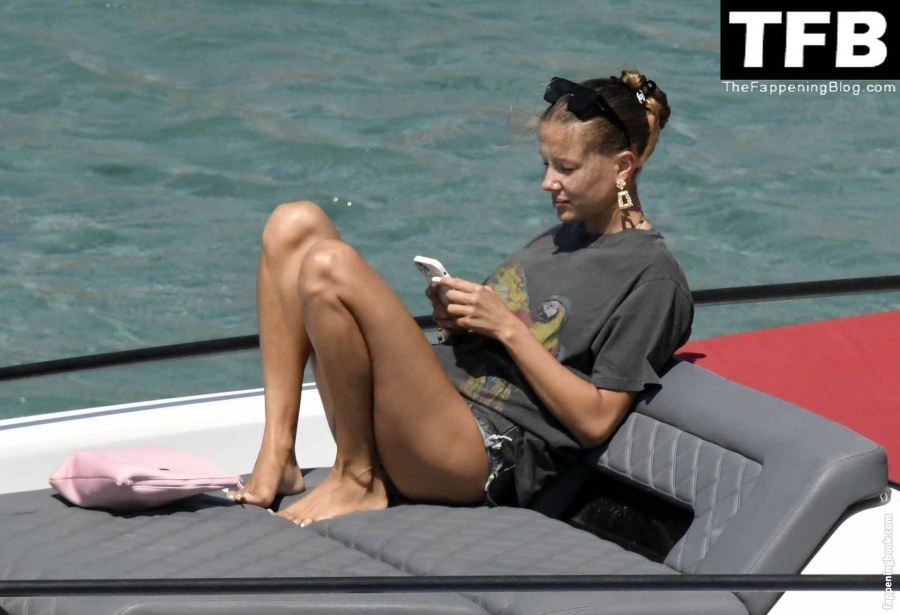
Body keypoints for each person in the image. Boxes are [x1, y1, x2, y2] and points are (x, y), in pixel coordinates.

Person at [230, 71, 693, 526]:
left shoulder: (653, 279)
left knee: (330, 265)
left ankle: (357, 478)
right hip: (429, 410)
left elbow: (595, 422)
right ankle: (279, 452)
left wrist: (506, 328)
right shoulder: (561, 237)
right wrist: (458, 322)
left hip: (476, 448)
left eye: (566, 169)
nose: (548, 182)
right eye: (546, 165)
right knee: (294, 223)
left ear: (622, 167)